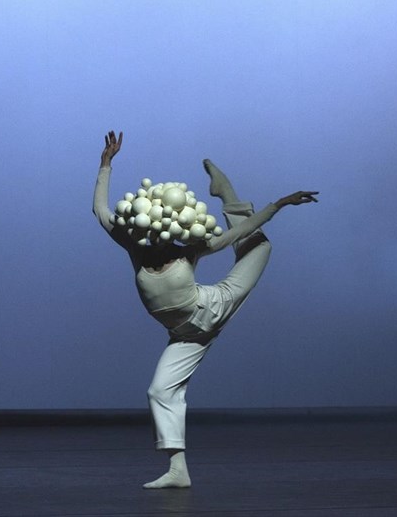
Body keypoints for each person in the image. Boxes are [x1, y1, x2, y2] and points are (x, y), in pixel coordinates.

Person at [93, 130, 318, 489]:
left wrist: (278, 204)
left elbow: (237, 233)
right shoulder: (134, 246)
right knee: (160, 391)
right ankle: (178, 471)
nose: (157, 241)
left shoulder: (190, 249)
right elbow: (101, 211)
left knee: (258, 247)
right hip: (185, 337)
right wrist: (105, 164)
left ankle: (225, 191)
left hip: (214, 306)